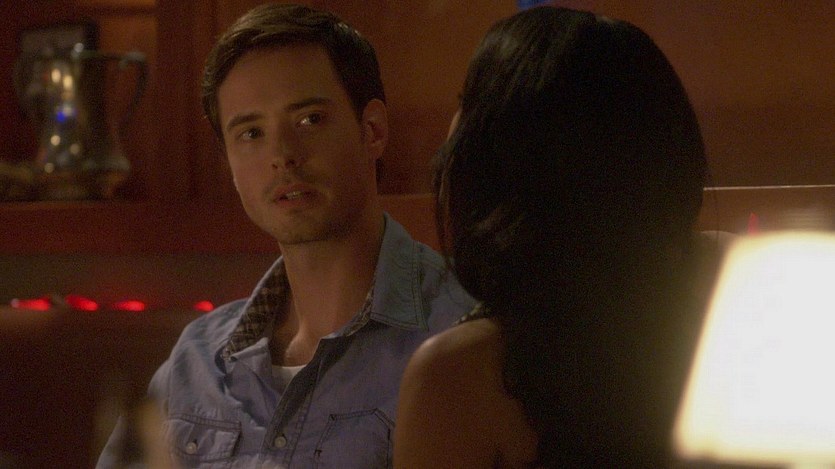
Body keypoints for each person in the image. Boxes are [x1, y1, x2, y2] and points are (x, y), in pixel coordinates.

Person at [97, 3, 473, 467]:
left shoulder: (460, 338)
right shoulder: (196, 363)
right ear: (230, 164)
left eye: (309, 119)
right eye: (251, 133)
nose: (282, 155)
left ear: (372, 130)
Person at [394, 6, 712, 468]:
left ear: (504, 156)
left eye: (468, 103)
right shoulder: (739, 311)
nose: (452, 130)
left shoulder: (462, 373)